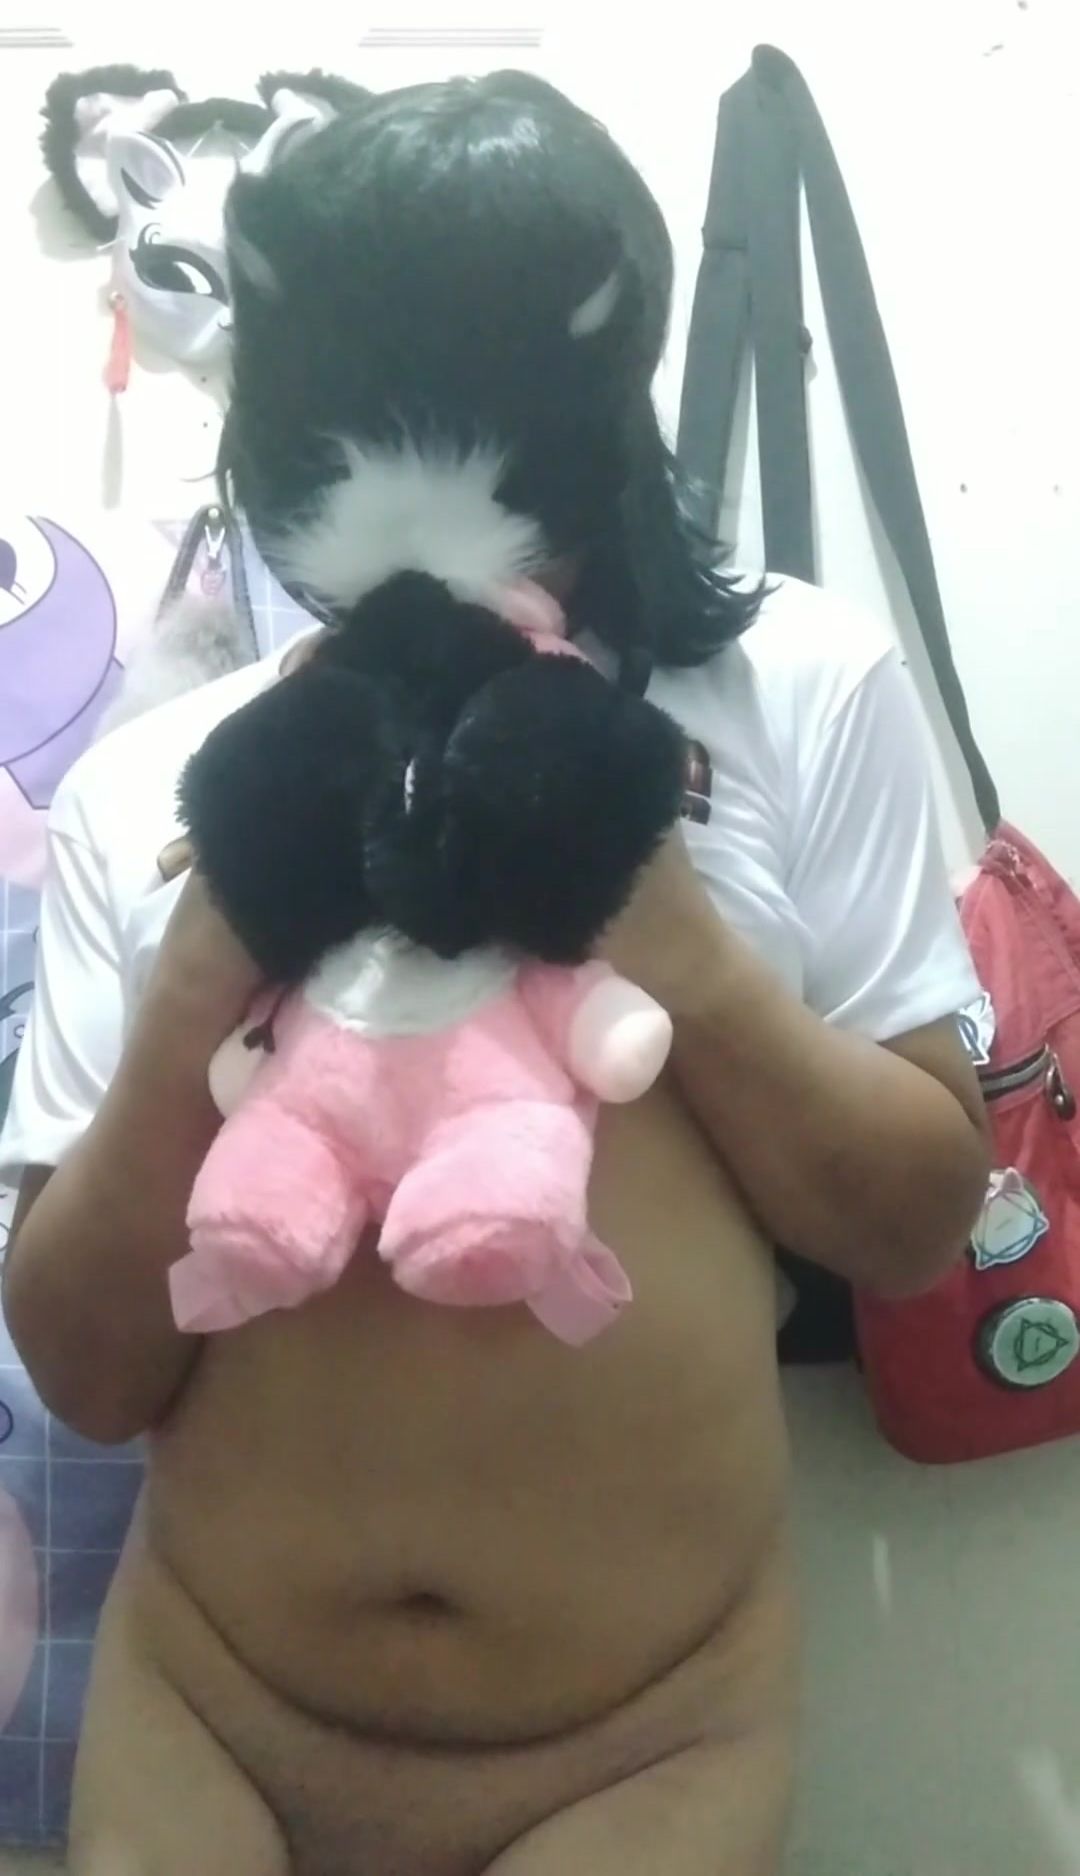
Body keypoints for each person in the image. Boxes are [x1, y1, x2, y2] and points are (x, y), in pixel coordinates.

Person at [0, 73, 989, 1876]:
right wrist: (213, 957)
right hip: (207, 1711)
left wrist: (667, 931)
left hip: (646, 1746)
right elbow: (81, 1368)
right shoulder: (162, 784)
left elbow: (919, 1224)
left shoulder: (800, 688)